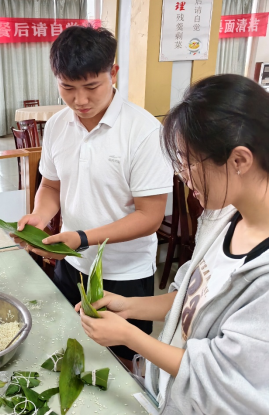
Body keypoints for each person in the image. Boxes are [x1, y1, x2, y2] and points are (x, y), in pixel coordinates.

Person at [78, 74, 269, 414]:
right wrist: (128, 306)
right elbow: (188, 300)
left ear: (239, 160)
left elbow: (223, 376)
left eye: (188, 160)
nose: (181, 173)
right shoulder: (222, 217)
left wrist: (129, 336)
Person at [15, 26, 173, 367]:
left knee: (121, 364)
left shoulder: (144, 132)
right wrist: (40, 217)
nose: (80, 101)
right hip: (70, 264)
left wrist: (83, 238)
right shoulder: (57, 125)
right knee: (67, 351)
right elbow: (51, 186)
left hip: (124, 273)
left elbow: (149, 217)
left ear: (113, 73)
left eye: (91, 87)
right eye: (67, 88)